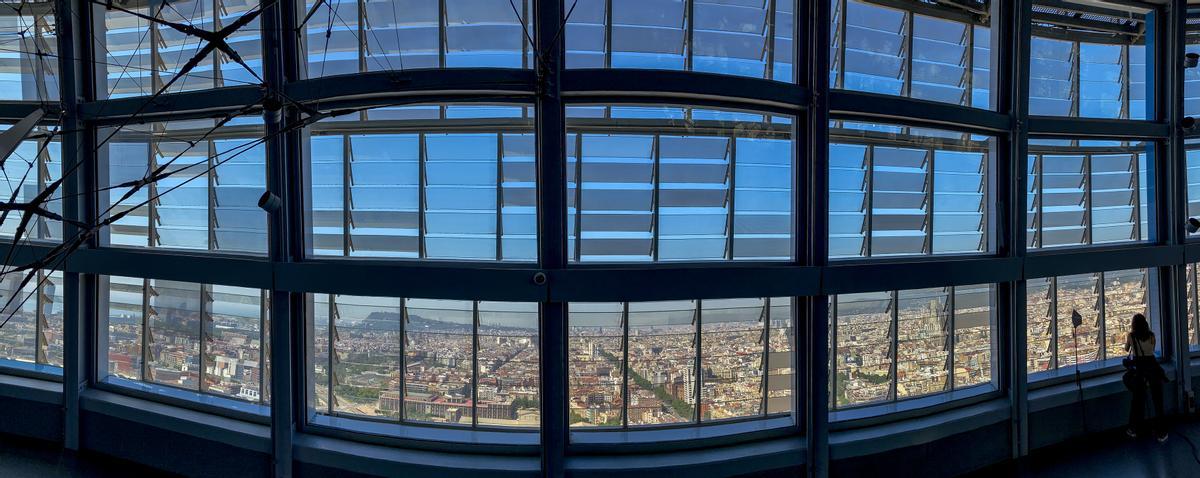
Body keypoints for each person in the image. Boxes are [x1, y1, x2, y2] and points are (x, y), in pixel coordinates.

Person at [1125, 313, 1167, 442]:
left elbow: (1127, 349)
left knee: (1137, 402)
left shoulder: (1131, 336)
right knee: (1158, 402)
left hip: (1140, 372)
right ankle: (1162, 432)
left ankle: (1135, 429)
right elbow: (1152, 350)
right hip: (1153, 370)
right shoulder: (1152, 336)